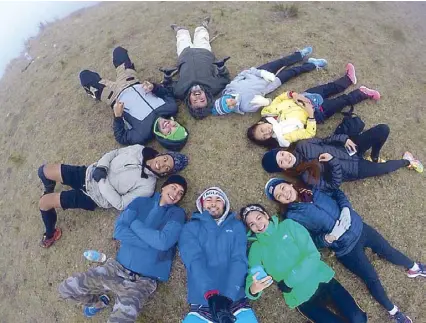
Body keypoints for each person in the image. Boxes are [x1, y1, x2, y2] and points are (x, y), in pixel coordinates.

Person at [264, 177, 426, 323]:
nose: (285, 194)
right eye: (279, 196)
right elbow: (311, 241)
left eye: (283, 188)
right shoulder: (293, 218)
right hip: (346, 249)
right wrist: (327, 238)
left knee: (388, 250)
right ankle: (394, 312)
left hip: (359, 227)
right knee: (371, 278)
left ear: (289, 184)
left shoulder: (311, 188)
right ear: (280, 202)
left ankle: (415, 268)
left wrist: (347, 209)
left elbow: (337, 192)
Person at [58, 175, 188, 322]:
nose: (176, 193)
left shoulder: (177, 214)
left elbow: (163, 242)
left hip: (143, 281)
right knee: (66, 288)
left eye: (180, 193)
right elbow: (119, 230)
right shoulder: (140, 202)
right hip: (116, 269)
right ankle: (98, 302)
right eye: (174, 187)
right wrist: (149, 244)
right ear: (164, 187)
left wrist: (135, 225)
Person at [37, 145, 188, 248]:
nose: (162, 164)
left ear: (164, 174)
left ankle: (51, 234)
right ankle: (49, 186)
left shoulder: (147, 187)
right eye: (166, 159)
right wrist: (102, 167)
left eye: (167, 168)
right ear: (163, 155)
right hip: (88, 173)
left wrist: (101, 181)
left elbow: (121, 204)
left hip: (93, 196)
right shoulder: (140, 149)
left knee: (44, 203)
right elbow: (114, 153)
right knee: (43, 170)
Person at [240, 204, 367, 323]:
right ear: (250, 229)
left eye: (259, 218)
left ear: (266, 215)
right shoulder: (256, 249)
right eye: (252, 224)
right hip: (300, 297)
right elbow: (254, 275)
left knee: (358, 319)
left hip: (321, 279)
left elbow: (313, 255)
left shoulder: (289, 226)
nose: (258, 225)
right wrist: (253, 289)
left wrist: (290, 280)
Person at [247, 63, 381, 148]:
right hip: (316, 113)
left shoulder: (267, 111)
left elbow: (281, 97)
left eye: (262, 130)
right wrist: (310, 114)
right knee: (342, 101)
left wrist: (294, 95)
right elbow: (308, 133)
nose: (267, 132)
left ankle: (348, 79)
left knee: (329, 88)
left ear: (259, 124)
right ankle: (363, 93)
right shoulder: (284, 137)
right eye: (265, 137)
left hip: (304, 97)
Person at [79, 46, 188, 148]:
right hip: (131, 81)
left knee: (84, 76)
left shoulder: (141, 135)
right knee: (119, 51)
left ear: (163, 137)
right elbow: (166, 93)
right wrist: (154, 87)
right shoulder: (171, 108)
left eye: (169, 132)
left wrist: (117, 116)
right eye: (175, 126)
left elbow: (121, 137)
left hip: (113, 95)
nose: (169, 126)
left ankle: (92, 92)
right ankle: (127, 68)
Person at [179, 187, 258, 323]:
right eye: (209, 200)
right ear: (202, 204)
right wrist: (211, 295)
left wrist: (228, 296)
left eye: (218, 200)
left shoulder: (236, 226)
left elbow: (239, 260)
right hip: (202, 305)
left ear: (225, 204)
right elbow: (193, 260)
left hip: (236, 302)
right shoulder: (189, 228)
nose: (213, 203)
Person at [261, 131, 423, 190]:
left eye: (281, 154)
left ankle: (374, 156)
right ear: (283, 169)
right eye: (281, 162)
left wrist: (344, 138)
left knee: (383, 129)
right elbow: (333, 184)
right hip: (353, 170)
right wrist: (332, 162)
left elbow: (327, 140)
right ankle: (408, 162)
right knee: (385, 169)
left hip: (349, 149)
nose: (285, 158)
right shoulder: (305, 177)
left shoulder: (303, 144)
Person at [213, 47, 328, 116]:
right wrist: (265, 102)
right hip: (272, 83)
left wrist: (260, 73)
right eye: (230, 107)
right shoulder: (245, 107)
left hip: (262, 71)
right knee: (293, 72)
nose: (231, 103)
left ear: (224, 97)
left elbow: (244, 73)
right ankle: (313, 64)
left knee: (281, 61)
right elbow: (268, 102)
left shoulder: (230, 87)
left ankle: (299, 55)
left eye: (227, 102)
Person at [162, 17, 231, 119]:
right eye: (202, 100)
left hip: (185, 55)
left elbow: (168, 86)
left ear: (189, 101)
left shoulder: (180, 92)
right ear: (207, 98)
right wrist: (221, 67)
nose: (198, 97)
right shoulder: (214, 87)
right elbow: (225, 79)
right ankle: (203, 26)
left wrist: (167, 76)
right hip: (204, 53)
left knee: (182, 40)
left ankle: (180, 30)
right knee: (202, 37)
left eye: (195, 101)